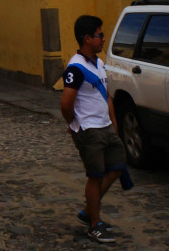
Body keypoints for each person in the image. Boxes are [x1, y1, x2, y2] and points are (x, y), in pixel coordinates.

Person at [60, 15, 127, 245]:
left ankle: (89, 210)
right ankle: (94, 224)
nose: (103, 39)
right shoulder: (75, 68)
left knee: (117, 166)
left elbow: (106, 96)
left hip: (106, 127)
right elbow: (66, 103)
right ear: (87, 38)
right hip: (89, 130)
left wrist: (114, 125)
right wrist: (74, 125)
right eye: (100, 35)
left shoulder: (98, 63)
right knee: (95, 176)